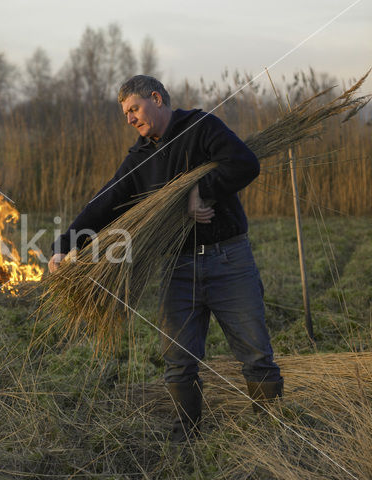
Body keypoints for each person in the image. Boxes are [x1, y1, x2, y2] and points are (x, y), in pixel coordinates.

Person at [48, 75, 283, 442]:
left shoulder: (201, 128)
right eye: (125, 113)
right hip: (178, 267)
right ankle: (184, 441)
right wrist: (64, 245)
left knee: (255, 355)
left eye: (134, 109)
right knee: (177, 362)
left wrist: (200, 191)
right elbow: (105, 203)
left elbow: (245, 163)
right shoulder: (139, 158)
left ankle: (273, 436)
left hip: (228, 260)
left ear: (156, 98)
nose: (129, 119)